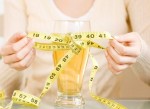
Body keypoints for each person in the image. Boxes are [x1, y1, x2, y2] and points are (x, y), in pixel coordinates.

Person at [0, 0, 150, 102]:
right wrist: (14, 63)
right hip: (38, 103)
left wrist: (140, 54)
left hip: (102, 105)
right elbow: (7, 87)